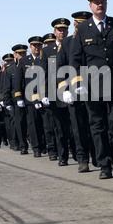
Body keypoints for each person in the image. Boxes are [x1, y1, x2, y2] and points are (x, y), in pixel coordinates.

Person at [69, 0, 113, 179]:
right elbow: (75, 58)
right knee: (98, 125)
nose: (100, 4)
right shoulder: (82, 29)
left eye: (102, 1)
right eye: (96, 2)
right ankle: (104, 164)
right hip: (92, 85)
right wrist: (78, 82)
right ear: (90, 5)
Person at [58, 11, 97, 172]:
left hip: (92, 89)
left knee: (95, 124)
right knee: (78, 127)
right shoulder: (66, 43)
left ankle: (97, 155)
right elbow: (60, 69)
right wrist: (65, 90)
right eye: (78, 24)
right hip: (74, 92)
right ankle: (82, 159)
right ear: (75, 25)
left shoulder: (94, 39)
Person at [40, 18, 73, 166]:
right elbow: (43, 74)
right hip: (55, 93)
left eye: (65, 29)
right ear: (54, 32)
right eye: (59, 30)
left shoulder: (74, 45)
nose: (62, 32)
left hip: (72, 91)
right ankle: (63, 155)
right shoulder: (47, 51)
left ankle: (78, 152)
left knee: (74, 125)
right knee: (59, 127)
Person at [15, 36, 46, 157]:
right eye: (35, 45)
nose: (37, 48)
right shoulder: (24, 61)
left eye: (39, 45)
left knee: (45, 124)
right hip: (30, 98)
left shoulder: (45, 58)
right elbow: (19, 80)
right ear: (30, 47)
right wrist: (18, 97)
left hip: (44, 96)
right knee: (33, 124)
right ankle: (36, 148)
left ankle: (45, 146)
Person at [2, 44, 30, 154]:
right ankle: (22, 145)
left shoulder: (30, 65)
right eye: (20, 53)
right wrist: (7, 101)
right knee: (19, 123)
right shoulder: (10, 69)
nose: (22, 55)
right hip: (16, 99)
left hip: (30, 97)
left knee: (31, 122)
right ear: (15, 55)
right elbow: (6, 86)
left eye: (24, 53)